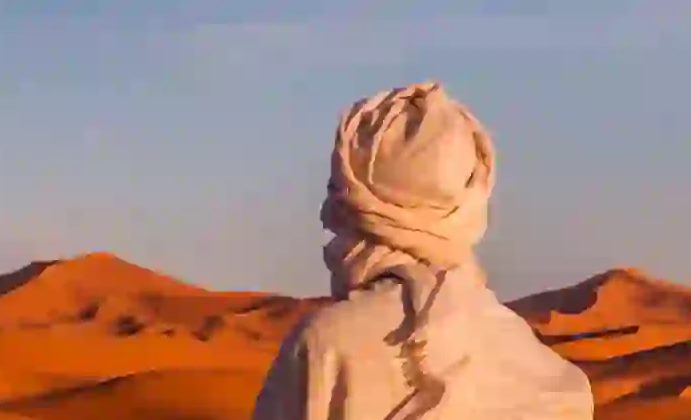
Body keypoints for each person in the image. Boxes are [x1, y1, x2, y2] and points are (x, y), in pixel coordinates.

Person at [250, 82, 595, 420]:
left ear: (356, 202)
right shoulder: (556, 380)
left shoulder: (326, 349)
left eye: (337, 190)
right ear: (469, 201)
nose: (326, 217)